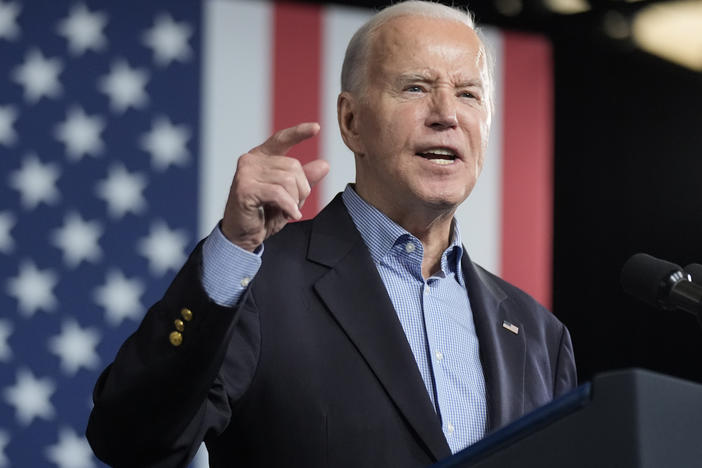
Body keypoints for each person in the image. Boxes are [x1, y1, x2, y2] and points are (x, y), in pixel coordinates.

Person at [87, 1, 577, 467]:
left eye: (468, 93)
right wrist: (234, 249)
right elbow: (132, 441)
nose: (446, 114)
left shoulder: (539, 335)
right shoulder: (257, 287)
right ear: (351, 121)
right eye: (415, 88)